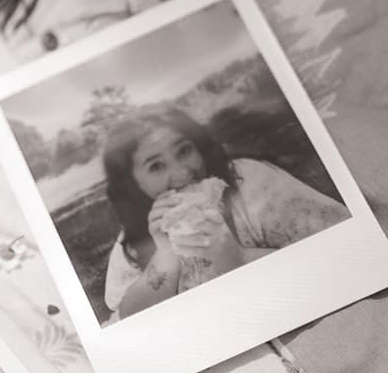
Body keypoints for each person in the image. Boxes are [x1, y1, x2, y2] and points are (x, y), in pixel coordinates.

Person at [100, 108, 349, 321]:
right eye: (156, 166)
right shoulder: (136, 234)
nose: (182, 173)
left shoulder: (250, 181)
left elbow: (339, 255)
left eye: (184, 150)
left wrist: (237, 258)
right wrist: (165, 254)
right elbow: (129, 318)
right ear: (134, 184)